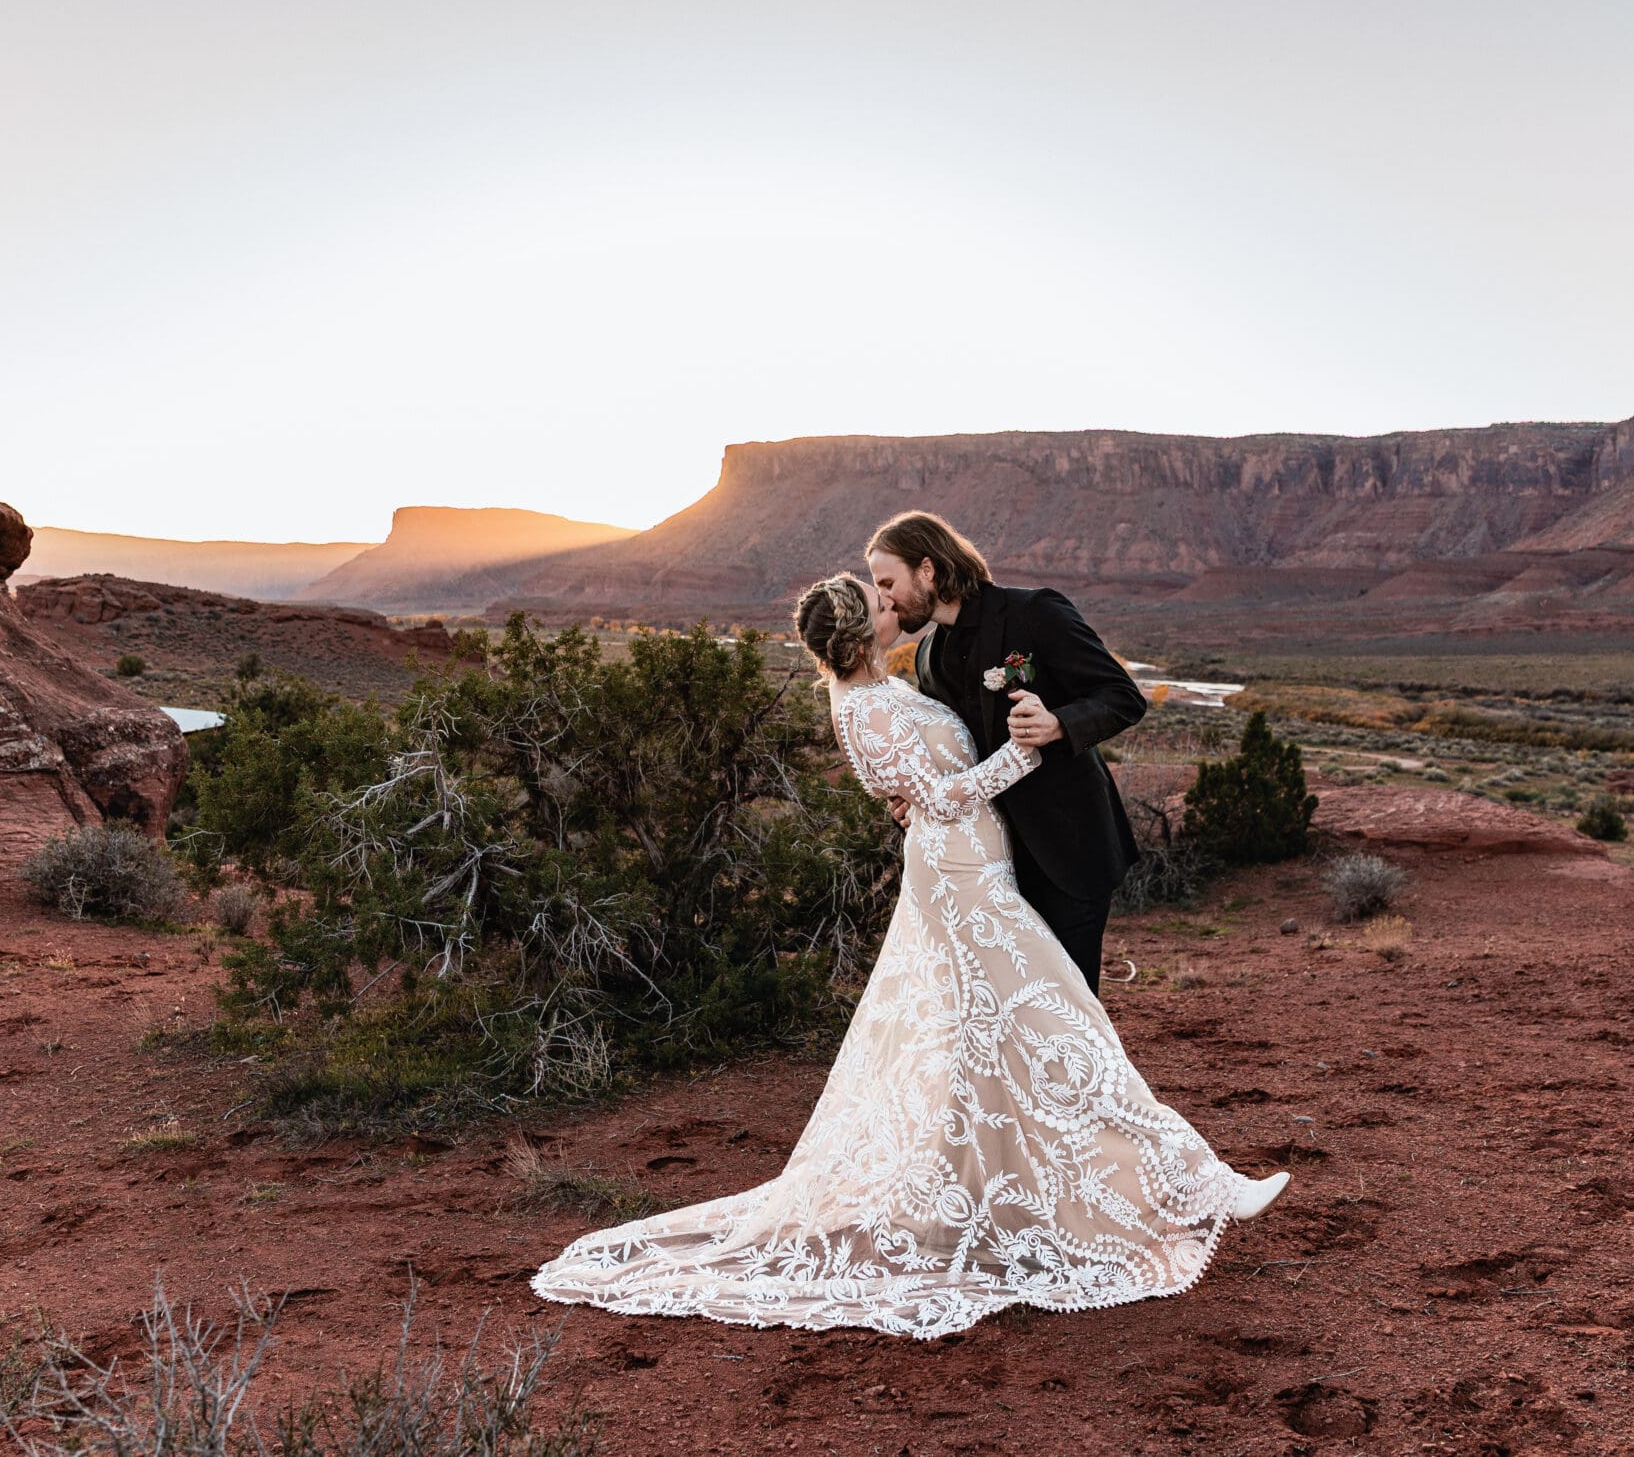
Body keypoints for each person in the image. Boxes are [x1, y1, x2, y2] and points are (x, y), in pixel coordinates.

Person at [531, 572, 1287, 1338]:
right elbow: (949, 798)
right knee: (1065, 1024)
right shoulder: (863, 709)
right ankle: (1205, 1184)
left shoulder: (892, 685)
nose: (895, 608)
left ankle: (1030, 1194)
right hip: (963, 889)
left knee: (997, 1044)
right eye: (882, 605)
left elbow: (933, 779)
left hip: (982, 872)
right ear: (862, 638)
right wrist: (1028, 750)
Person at [866, 511, 1144, 994]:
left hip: (1069, 852)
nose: (884, 597)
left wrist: (1059, 722)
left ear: (927, 569)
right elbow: (955, 752)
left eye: (888, 581)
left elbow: (1123, 697)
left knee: (1072, 1009)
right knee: (1016, 1009)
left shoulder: (1036, 612)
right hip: (991, 867)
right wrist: (916, 796)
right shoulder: (927, 657)